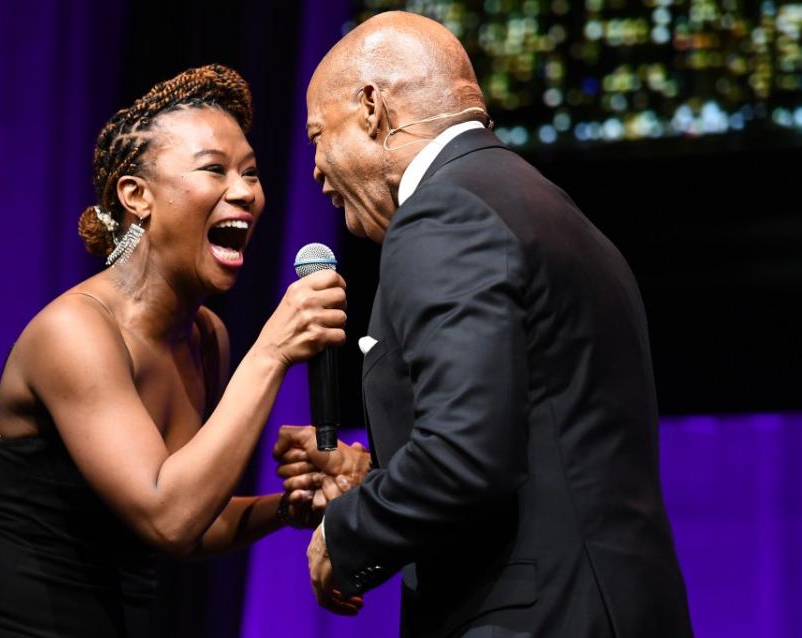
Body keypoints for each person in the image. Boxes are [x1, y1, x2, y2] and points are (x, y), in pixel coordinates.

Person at [275, 12, 693, 638]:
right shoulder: (546, 207)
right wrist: (379, 476)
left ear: (371, 108)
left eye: (317, 135)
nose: (314, 168)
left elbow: (467, 455)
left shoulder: (443, 213)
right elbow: (530, 435)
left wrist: (348, 527)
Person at [0, 64, 347, 637]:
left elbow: (198, 517)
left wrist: (289, 506)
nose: (245, 191)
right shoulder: (75, 331)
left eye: (251, 172)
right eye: (214, 170)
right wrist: (272, 352)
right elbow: (166, 517)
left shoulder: (206, 338)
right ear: (136, 195)